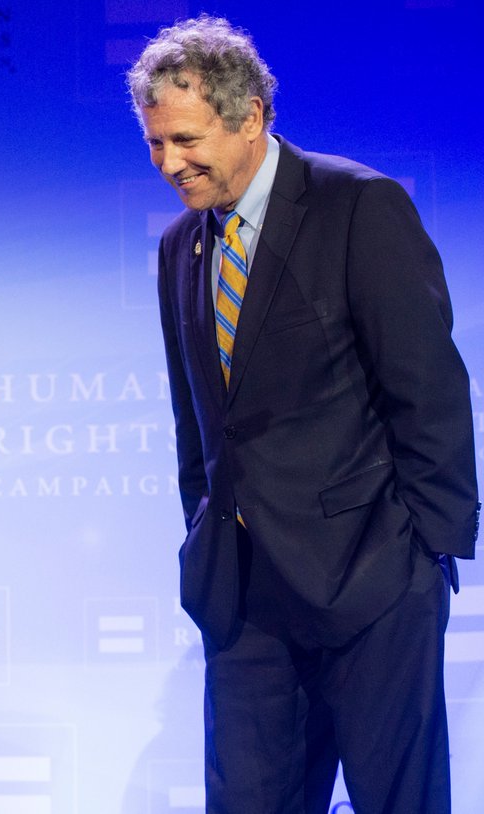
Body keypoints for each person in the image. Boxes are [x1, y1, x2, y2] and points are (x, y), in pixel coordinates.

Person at [127, 16, 478, 814]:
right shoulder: (181, 246)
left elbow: (427, 390)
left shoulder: (357, 207)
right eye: (154, 143)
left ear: (249, 117)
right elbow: (198, 424)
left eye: (185, 140)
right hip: (245, 599)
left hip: (373, 582)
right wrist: (207, 534)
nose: (169, 163)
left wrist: (425, 557)